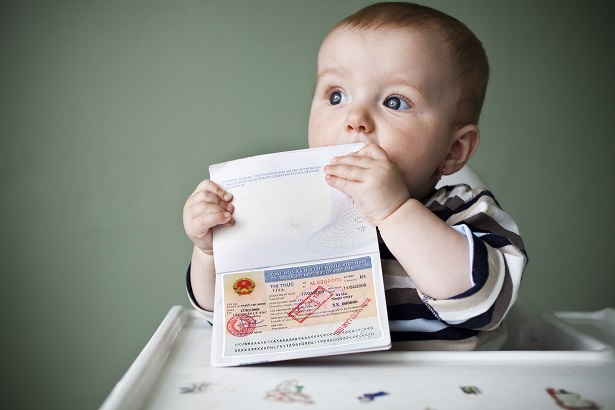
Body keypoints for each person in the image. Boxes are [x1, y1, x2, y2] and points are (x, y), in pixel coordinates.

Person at [182, 2, 527, 350]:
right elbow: (231, 317)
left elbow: (483, 304)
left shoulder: (464, 211)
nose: (355, 117)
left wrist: (393, 212)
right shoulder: (290, 215)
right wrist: (212, 252)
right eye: (336, 96)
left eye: (395, 102)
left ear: (453, 150)